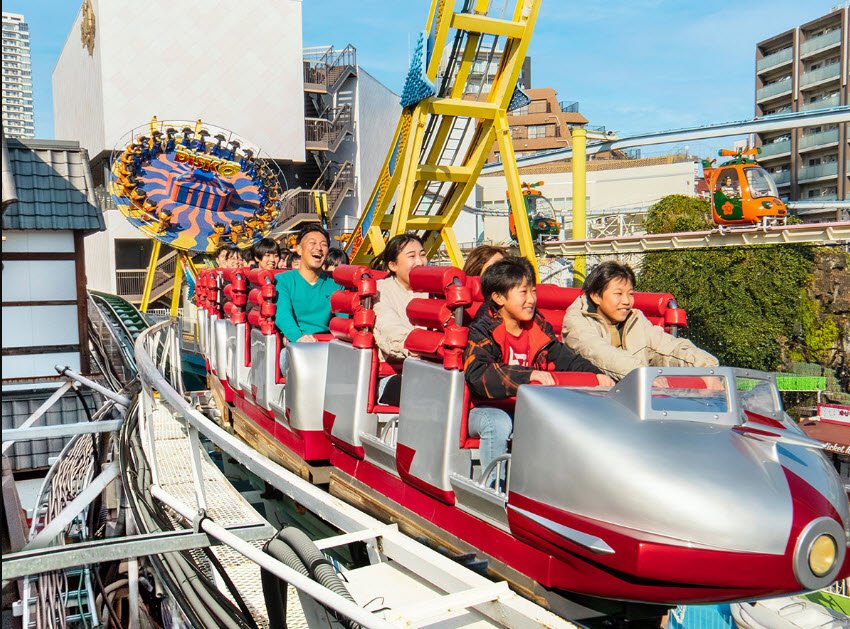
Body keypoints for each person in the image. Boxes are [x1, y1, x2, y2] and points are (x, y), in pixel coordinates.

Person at [464, 257, 612, 485]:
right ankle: (493, 486)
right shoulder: (483, 330)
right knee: (498, 423)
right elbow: (478, 375)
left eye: (533, 291)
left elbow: (565, 359)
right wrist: (527, 376)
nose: (531, 300)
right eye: (523, 293)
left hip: (525, 408)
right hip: (483, 409)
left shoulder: (538, 330)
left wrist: (596, 376)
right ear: (498, 297)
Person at [562, 261, 719, 382]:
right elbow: (598, 353)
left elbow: (667, 347)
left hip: (634, 394)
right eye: (618, 293)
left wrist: (707, 368)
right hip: (592, 399)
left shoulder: (635, 319)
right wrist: (647, 377)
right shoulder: (577, 321)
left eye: (630, 294)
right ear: (596, 296)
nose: (626, 301)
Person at [371, 234, 429, 404]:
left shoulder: (434, 290)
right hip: (394, 375)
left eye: (423, 255)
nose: (420, 262)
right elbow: (389, 329)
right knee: (425, 390)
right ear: (392, 265)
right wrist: (429, 346)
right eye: (412, 256)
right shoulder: (380, 291)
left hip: (435, 371)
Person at [274, 225, 341, 348]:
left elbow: (344, 320)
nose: (319, 248)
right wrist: (298, 338)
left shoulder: (336, 284)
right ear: (299, 249)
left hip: (327, 346)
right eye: (312, 243)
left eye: (323, 244)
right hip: (295, 345)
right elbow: (283, 315)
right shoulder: (283, 280)